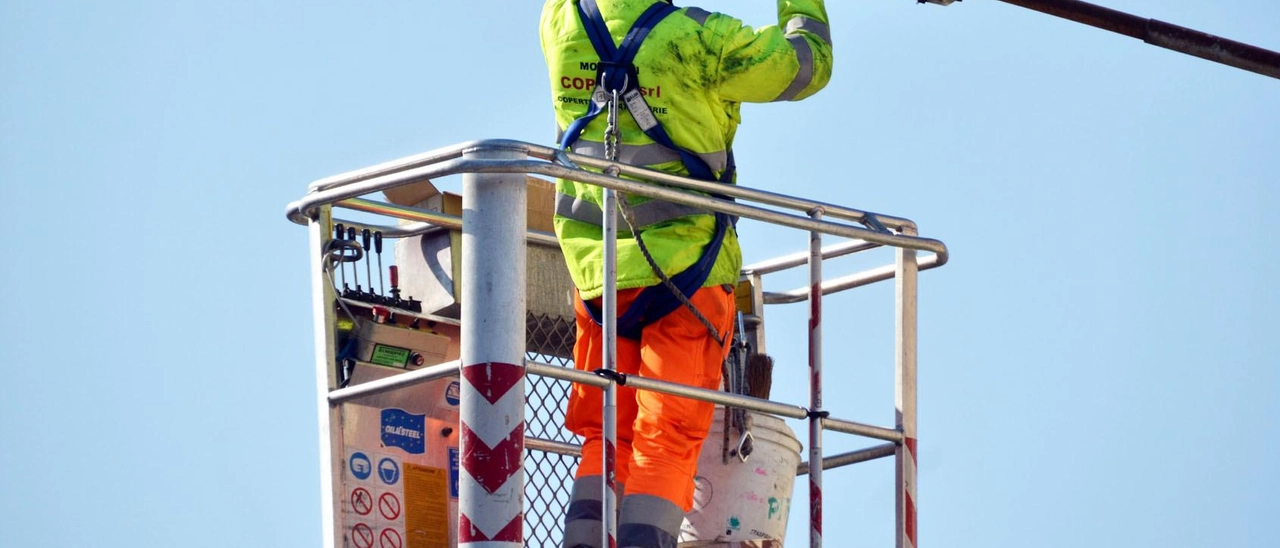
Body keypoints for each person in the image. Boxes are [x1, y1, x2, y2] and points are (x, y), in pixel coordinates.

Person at [540, 1, 832, 546]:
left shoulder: (562, 20)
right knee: (666, 436)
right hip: (686, 277)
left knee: (604, 433)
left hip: (599, 274)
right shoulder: (702, 38)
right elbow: (805, 63)